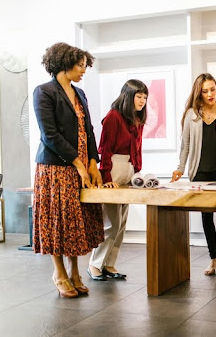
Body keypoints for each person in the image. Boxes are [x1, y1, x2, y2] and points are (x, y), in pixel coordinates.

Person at [32, 42, 112, 298]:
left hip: (80, 169)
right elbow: (49, 134)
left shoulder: (80, 94)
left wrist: (92, 162)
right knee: (58, 222)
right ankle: (59, 272)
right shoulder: (43, 92)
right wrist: (77, 162)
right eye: (80, 66)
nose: (83, 71)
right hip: (55, 168)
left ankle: (75, 270)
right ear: (64, 63)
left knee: (77, 223)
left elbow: (88, 131)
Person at [171, 73, 216, 278]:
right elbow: (186, 145)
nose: (210, 94)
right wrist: (180, 168)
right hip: (199, 172)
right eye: (205, 91)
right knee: (206, 216)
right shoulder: (192, 113)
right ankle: (213, 258)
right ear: (199, 93)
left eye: (213, 89)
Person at [88, 79, 148, 281]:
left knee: (122, 223)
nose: (142, 101)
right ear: (128, 96)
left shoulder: (137, 119)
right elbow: (105, 149)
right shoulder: (113, 116)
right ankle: (95, 265)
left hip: (128, 171)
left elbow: (137, 150)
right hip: (112, 169)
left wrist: (137, 174)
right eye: (139, 96)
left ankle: (109, 264)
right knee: (111, 223)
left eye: (145, 97)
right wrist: (105, 177)